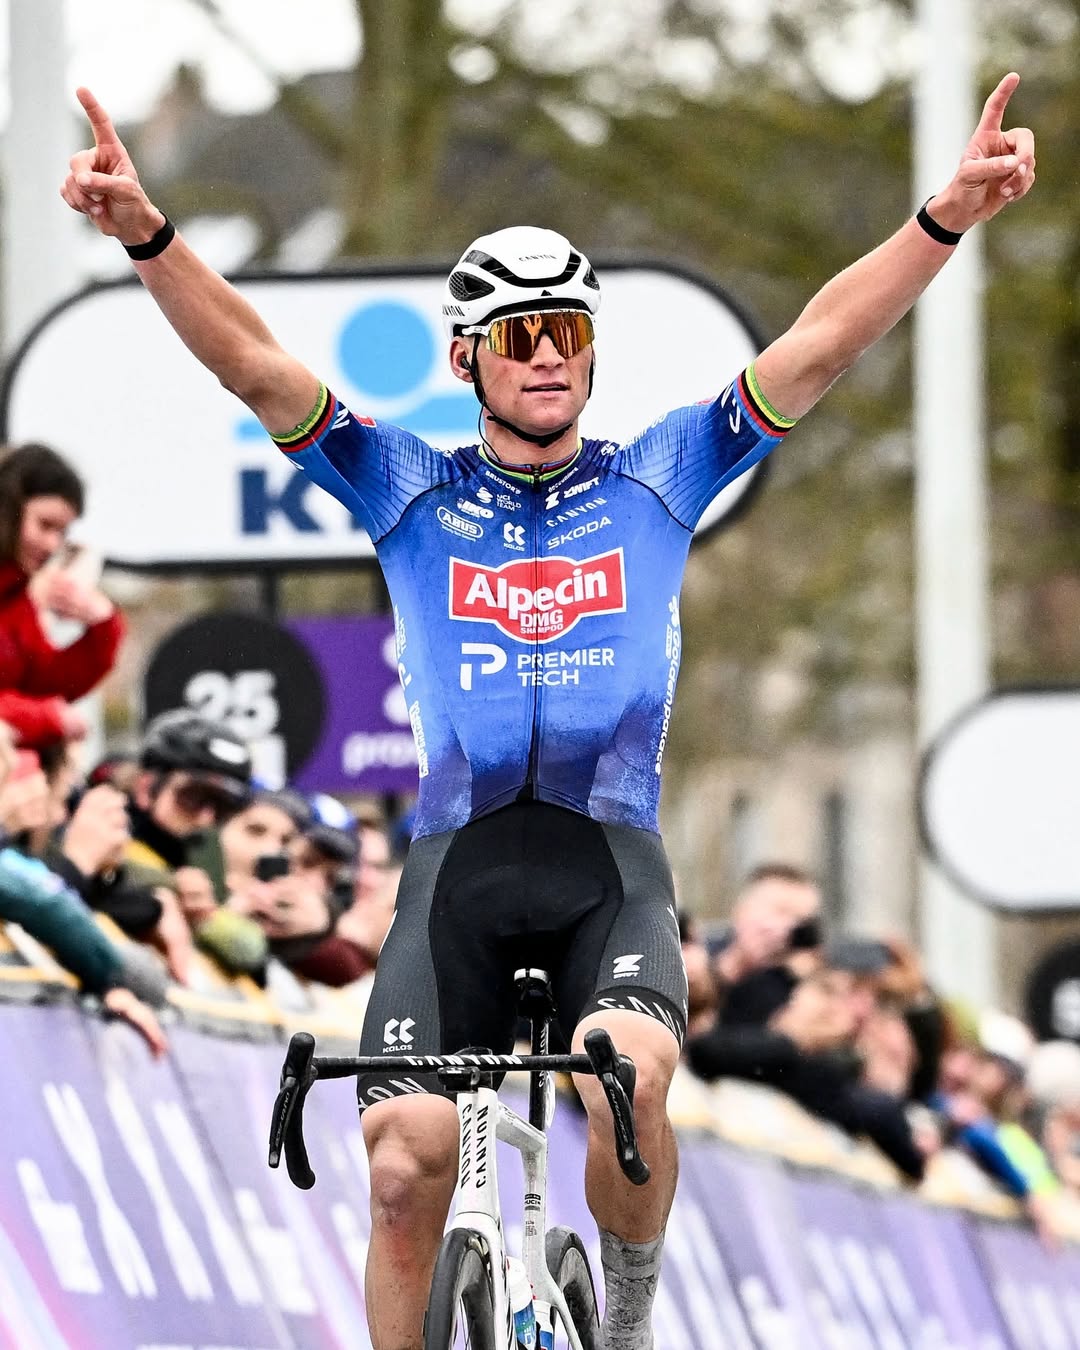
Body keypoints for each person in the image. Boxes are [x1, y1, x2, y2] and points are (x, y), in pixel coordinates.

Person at [60, 76, 1036, 1350]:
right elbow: (254, 363)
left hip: (606, 868)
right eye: (518, 335)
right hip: (453, 873)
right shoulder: (407, 489)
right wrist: (146, 234)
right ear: (466, 357)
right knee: (402, 1166)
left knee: (628, 1080)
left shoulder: (658, 478)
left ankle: (623, 1326)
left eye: (566, 331)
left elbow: (819, 345)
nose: (546, 357)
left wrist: (943, 217)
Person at [0, 443, 124, 749]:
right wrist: (46, 718)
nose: (53, 545)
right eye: (45, 525)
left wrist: (103, 627)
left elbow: (44, 685)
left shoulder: (18, 596)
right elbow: (42, 704)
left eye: (62, 532)